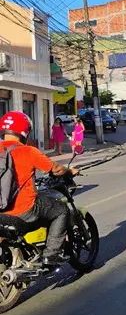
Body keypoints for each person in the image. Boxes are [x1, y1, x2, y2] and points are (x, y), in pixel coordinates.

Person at [0, 111, 78, 267]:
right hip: (24, 211)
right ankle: (51, 255)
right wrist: (70, 171)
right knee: (61, 210)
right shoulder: (28, 151)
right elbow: (55, 169)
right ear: (25, 131)